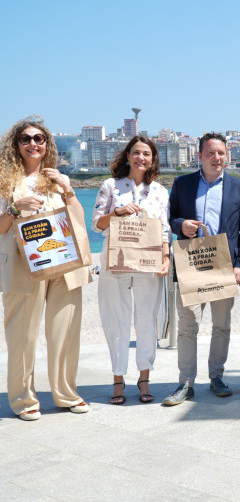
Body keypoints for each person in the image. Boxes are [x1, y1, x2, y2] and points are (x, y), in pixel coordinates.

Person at [0, 116, 91, 420]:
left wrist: (67, 188)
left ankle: (66, 393)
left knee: (65, 332)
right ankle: (23, 399)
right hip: (22, 265)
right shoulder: (4, 181)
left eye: (39, 138)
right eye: (25, 138)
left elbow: (78, 220)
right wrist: (15, 208)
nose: (33, 143)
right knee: (22, 336)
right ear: (16, 145)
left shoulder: (56, 179)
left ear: (47, 144)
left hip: (63, 263)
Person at [163, 132, 240, 405]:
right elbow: (169, 218)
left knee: (221, 326)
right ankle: (185, 383)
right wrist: (181, 225)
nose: (217, 158)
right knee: (187, 327)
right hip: (190, 263)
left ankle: (216, 377)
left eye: (221, 153)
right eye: (211, 153)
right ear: (199, 155)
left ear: (227, 155)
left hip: (224, 265)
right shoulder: (182, 184)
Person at [92, 135, 171, 405]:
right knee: (116, 320)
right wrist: (118, 213)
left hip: (148, 263)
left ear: (152, 159)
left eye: (146, 154)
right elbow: (96, 224)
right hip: (115, 262)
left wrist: (166, 257)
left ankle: (144, 377)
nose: (141, 158)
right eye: (136, 152)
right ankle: (118, 379)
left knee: (147, 319)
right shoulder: (110, 185)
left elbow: (164, 229)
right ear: (127, 156)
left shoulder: (160, 191)